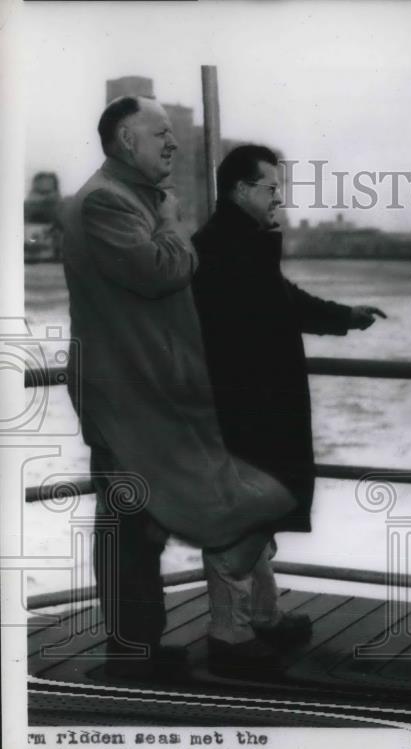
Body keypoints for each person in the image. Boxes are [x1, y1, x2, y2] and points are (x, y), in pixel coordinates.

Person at [61, 98, 295, 681]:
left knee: (146, 527)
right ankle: (131, 655)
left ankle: (142, 645)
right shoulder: (104, 202)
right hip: (122, 397)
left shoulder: (135, 199)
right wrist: (173, 222)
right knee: (129, 531)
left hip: (150, 395)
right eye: (160, 133)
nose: (172, 143)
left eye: (172, 133)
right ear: (124, 138)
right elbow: (158, 271)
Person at [191, 144, 386, 677]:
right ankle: (230, 634)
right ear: (240, 190)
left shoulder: (233, 242)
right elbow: (279, 306)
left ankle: (262, 614)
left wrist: (344, 315)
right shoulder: (226, 248)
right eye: (270, 188)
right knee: (247, 512)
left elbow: (280, 300)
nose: (279, 196)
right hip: (249, 407)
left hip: (253, 403)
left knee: (259, 507)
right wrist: (343, 316)